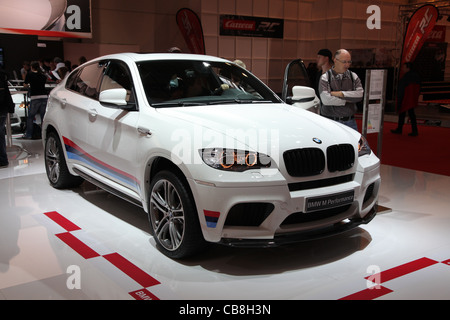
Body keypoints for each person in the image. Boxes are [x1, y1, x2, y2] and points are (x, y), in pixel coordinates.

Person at [319, 49, 363, 131]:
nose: (347, 65)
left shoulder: (353, 76)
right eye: (344, 62)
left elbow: (360, 95)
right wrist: (348, 99)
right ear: (335, 60)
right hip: (331, 122)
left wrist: (340, 94)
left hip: (350, 122)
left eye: (349, 62)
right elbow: (326, 100)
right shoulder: (325, 77)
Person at [391, 62, 421, 136]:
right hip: (412, 98)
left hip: (405, 98)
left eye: (404, 67)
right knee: (412, 114)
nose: (402, 69)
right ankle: (414, 130)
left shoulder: (406, 77)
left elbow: (401, 89)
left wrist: (399, 100)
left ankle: (400, 129)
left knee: (402, 113)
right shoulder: (416, 76)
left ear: (408, 68)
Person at [23, 61, 48, 139]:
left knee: (30, 117)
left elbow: (25, 84)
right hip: (44, 96)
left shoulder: (30, 74)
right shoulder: (43, 75)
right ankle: (44, 134)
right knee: (43, 117)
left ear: (31, 67)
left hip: (35, 97)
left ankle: (29, 134)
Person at [0, 68, 14, 168]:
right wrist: (10, 108)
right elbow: (7, 94)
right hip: (2, 109)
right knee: (1, 134)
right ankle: (3, 160)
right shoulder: (2, 77)